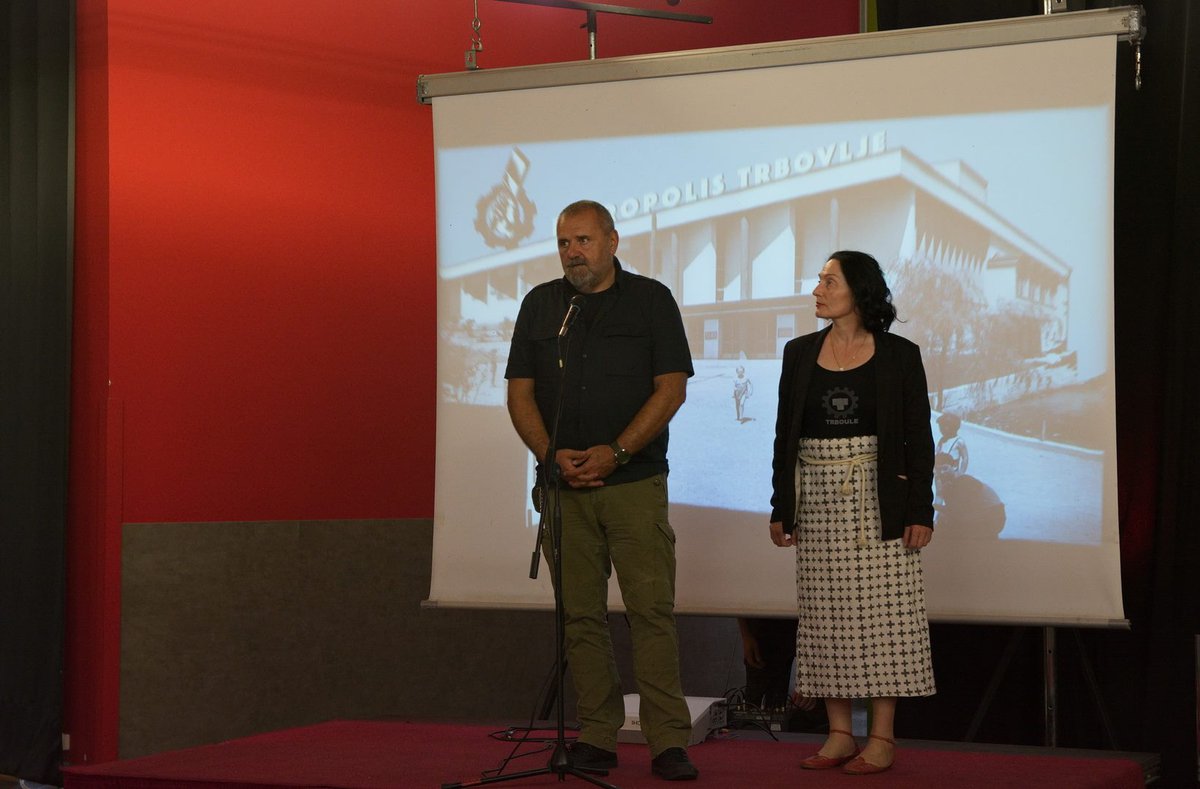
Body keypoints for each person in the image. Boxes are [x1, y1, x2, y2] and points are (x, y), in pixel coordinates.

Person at [505, 200, 699, 781]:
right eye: (564, 243)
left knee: (651, 612)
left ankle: (667, 741)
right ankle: (596, 735)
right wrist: (549, 454)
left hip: (634, 483)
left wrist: (615, 453)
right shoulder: (542, 305)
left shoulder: (651, 300)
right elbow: (520, 395)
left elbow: (671, 390)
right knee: (580, 617)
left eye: (584, 240)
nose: (572, 253)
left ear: (613, 240)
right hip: (562, 487)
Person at [768, 250, 936, 776]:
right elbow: (784, 437)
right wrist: (782, 505)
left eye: (828, 281)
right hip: (816, 499)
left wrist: (920, 509)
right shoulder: (798, 353)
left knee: (885, 620)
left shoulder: (899, 355)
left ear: (857, 291)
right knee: (825, 617)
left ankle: (881, 737)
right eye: (819, 280)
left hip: (878, 499)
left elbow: (918, 439)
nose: (817, 289)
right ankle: (840, 734)